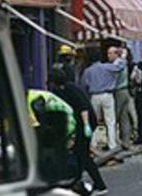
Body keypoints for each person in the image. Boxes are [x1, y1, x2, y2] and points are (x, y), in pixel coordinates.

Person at [49, 66, 108, 195]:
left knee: (83, 155)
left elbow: (83, 108)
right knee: (79, 154)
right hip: (78, 124)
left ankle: (100, 185)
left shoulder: (70, 89)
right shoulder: (62, 90)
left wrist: (86, 126)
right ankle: (78, 183)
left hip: (85, 123)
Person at [81, 47, 127, 150]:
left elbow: (84, 85)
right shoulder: (107, 67)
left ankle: (93, 144)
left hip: (94, 96)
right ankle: (112, 144)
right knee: (110, 121)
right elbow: (120, 67)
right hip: (107, 95)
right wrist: (123, 57)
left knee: (94, 121)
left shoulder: (87, 71)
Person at [115, 47, 134, 150]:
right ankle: (126, 142)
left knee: (115, 117)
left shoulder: (117, 64)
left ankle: (114, 142)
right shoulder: (125, 62)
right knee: (124, 118)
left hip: (118, 91)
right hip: (125, 90)